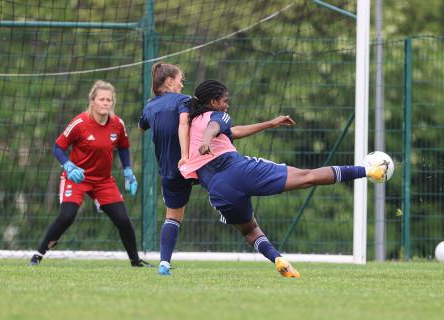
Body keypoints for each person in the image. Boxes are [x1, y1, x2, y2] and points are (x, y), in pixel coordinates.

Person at [179, 80, 390, 278]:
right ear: (214, 102)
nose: (227, 106)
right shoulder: (217, 117)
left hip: (218, 191)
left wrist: (270, 123)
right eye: (225, 101)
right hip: (239, 171)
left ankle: (278, 259)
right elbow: (215, 128)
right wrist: (207, 140)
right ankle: (368, 171)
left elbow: (231, 132)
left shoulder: (191, 124)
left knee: (250, 230)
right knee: (308, 176)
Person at [29, 80, 151, 267]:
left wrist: (128, 172)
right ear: (92, 101)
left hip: (103, 181)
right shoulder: (79, 123)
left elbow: (123, 147)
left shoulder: (117, 124)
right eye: (101, 99)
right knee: (67, 216)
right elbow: (57, 147)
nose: (105, 103)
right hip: (77, 177)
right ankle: (37, 255)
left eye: (109, 100)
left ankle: (135, 262)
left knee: (122, 219)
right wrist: (68, 166)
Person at [138, 62, 193, 276]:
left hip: (169, 170)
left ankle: (164, 264)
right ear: (170, 81)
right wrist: (186, 156)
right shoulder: (183, 100)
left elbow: (141, 126)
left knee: (173, 216)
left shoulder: (150, 107)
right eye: (180, 80)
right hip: (192, 164)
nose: (182, 84)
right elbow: (183, 123)